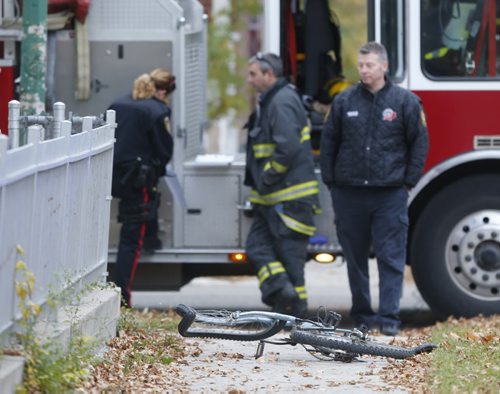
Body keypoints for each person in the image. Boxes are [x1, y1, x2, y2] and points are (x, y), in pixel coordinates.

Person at [319, 42, 429, 336]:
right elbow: (329, 142)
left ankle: (390, 318)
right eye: (361, 65)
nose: (364, 70)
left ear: (384, 66)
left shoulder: (405, 102)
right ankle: (363, 317)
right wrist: (331, 181)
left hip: (389, 194)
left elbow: (419, 142)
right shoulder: (343, 102)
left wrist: (408, 181)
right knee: (354, 260)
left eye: (369, 65)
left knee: (390, 258)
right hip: (349, 193)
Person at [244, 52, 320, 318]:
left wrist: (266, 176)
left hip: (289, 198)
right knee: (256, 248)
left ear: (269, 74)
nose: (249, 80)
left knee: (291, 261)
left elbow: (286, 148)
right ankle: (282, 293)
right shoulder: (273, 99)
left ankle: (296, 313)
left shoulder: (282, 101)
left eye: (253, 74)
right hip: (273, 198)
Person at [110, 69, 175, 306]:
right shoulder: (157, 111)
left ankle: (151, 238)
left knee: (133, 232)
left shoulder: (117, 104)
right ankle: (122, 295)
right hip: (139, 181)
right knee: (132, 239)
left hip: (115, 178)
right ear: (162, 91)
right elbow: (164, 151)